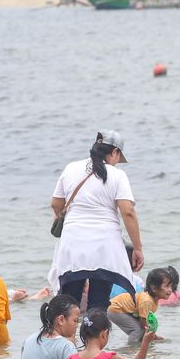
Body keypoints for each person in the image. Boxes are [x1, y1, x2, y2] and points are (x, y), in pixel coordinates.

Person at [49, 131, 143, 311]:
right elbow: (128, 212)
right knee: (98, 303)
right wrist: (137, 248)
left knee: (69, 304)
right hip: (105, 247)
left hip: (72, 245)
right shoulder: (117, 175)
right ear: (114, 152)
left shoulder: (71, 168)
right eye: (118, 157)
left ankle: (66, 338)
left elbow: (56, 204)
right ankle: (94, 336)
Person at [108, 268, 173, 343]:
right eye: (167, 286)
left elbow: (144, 322)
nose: (170, 290)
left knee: (141, 330)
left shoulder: (153, 300)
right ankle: (132, 349)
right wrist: (153, 335)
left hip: (120, 309)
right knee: (137, 330)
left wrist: (152, 335)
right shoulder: (147, 301)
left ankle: (140, 346)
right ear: (154, 288)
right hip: (115, 309)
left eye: (171, 286)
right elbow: (143, 322)